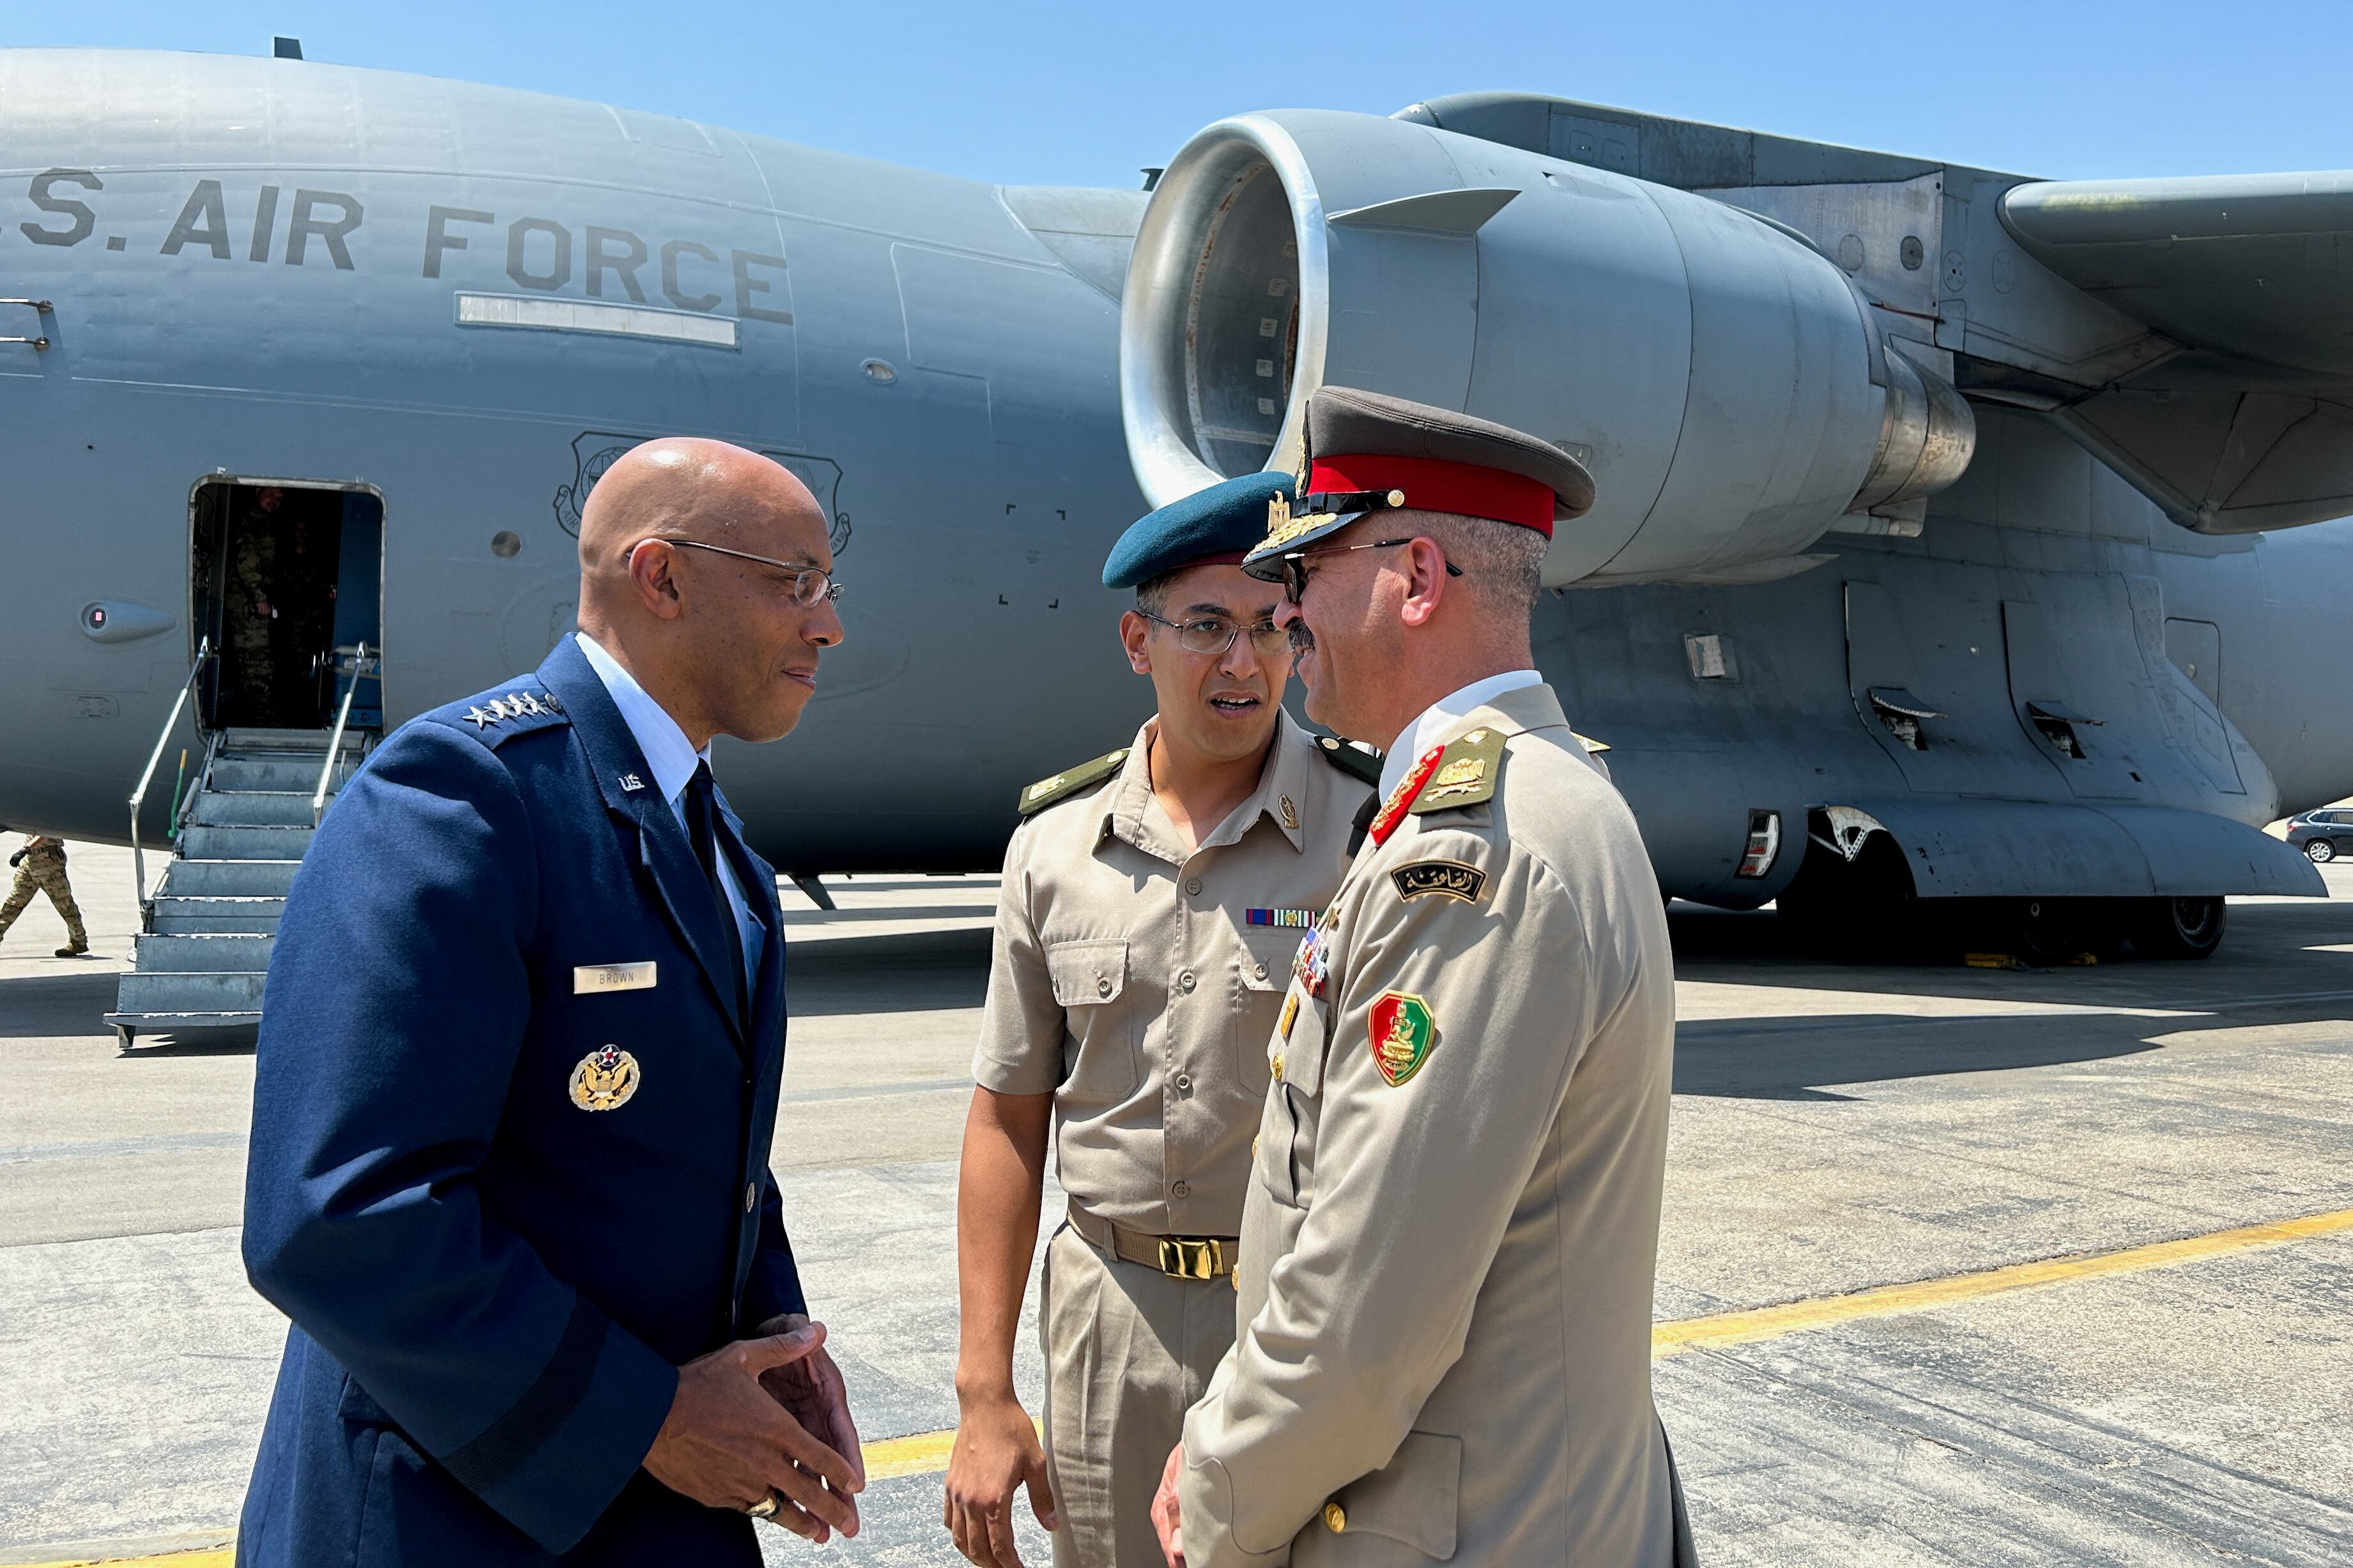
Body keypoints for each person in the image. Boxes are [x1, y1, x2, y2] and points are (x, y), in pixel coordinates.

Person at [237, 438, 864, 1565]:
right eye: (794, 583)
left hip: (655, 1504)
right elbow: (340, 1213)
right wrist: (652, 1417)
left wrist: (778, 1337)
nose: (826, 624)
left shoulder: (718, 847)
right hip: (456, 1512)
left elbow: (699, 1147)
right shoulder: (466, 797)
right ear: (661, 577)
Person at [1151, 387, 1696, 1567]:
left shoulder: (1475, 850)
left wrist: (1221, 1488)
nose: (1282, 617)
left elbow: (1365, 1314)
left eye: (1306, 576)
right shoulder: (1525, 802)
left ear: (1415, 578)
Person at [945, 473, 1379, 1568]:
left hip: (1296, 1317)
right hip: (1110, 1319)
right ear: (1137, 641)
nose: (1243, 662)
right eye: (1205, 627)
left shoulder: (1366, 827)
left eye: (1271, 627)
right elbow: (1006, 1119)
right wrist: (985, 1392)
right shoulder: (1052, 851)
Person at [225, 486, 285, 725]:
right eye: (271, 495)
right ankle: (261, 718)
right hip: (248, 604)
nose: (275, 502)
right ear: (259, 491)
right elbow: (247, 561)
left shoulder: (264, 522)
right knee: (256, 660)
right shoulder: (252, 521)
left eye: (280, 499)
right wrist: (260, 597)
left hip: (253, 602)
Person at [0, 834, 89, 957]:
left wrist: (25, 849)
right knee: (14, 902)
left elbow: (46, 832)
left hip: (48, 861)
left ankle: (78, 940)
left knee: (64, 904)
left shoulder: (49, 815)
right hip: (30, 859)